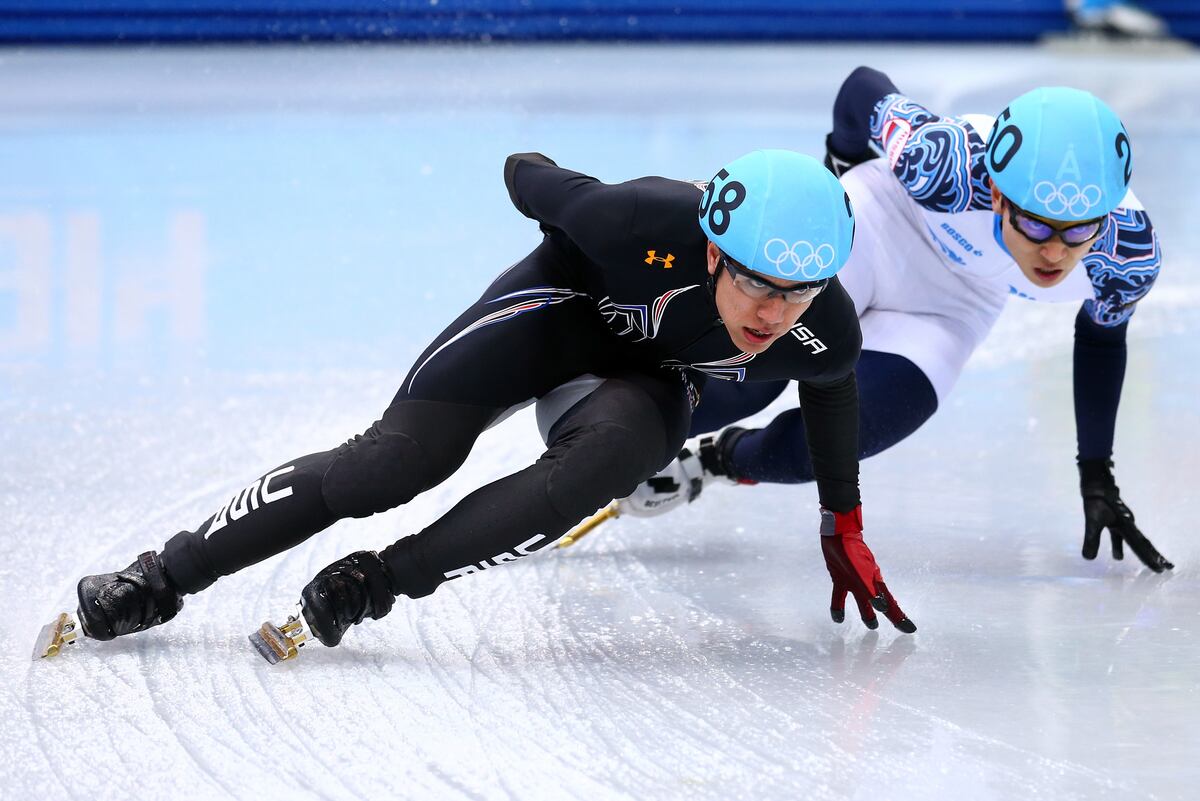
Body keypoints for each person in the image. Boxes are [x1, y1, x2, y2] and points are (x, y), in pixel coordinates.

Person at [43, 146, 916, 665]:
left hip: (646, 382)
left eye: (797, 295)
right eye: (758, 285)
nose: (772, 316)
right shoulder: (635, 222)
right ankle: (162, 576)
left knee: (609, 462)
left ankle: (374, 580)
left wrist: (843, 518)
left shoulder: (820, 328)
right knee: (391, 463)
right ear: (715, 252)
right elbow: (523, 170)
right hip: (553, 316)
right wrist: (569, 209)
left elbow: (832, 392)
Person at [609, 67, 1172, 575]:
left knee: (832, 446)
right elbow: (858, 91)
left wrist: (1095, 471)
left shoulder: (1126, 253)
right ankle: (597, 434)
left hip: (952, 307)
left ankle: (712, 462)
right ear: (997, 192)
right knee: (749, 377)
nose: (1055, 252)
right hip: (879, 229)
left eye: (1079, 230)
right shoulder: (942, 162)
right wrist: (841, 176)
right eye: (1036, 224)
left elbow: (1100, 343)